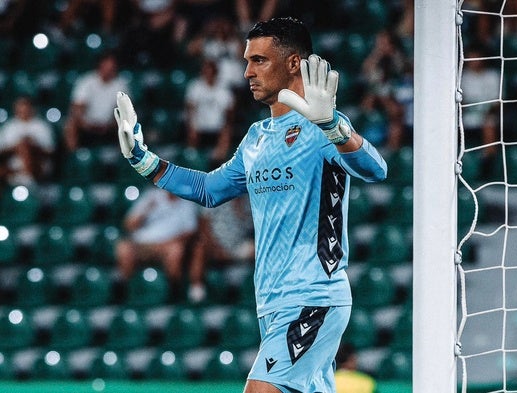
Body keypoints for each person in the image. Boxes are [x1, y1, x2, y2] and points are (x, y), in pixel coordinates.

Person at [113, 17, 387, 393]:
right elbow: (209, 190)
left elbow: (376, 169)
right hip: (271, 302)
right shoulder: (257, 137)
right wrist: (144, 161)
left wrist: (334, 127)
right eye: (247, 61)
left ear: (293, 63)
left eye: (259, 60)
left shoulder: (320, 127)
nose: (246, 72)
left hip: (312, 295)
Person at [115, 187, 206, 303]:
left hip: (168, 245)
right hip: (142, 244)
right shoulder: (151, 196)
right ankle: (125, 291)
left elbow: (190, 232)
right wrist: (147, 209)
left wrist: (167, 242)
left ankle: (172, 293)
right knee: (123, 248)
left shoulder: (187, 202)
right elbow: (128, 225)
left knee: (175, 250)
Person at [63, 51, 129, 152]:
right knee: (70, 124)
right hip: (87, 124)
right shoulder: (87, 81)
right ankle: (75, 158)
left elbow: (124, 110)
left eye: (113, 66)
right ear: (101, 65)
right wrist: (85, 123)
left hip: (110, 125)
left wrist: (111, 124)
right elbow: (77, 107)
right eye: (108, 65)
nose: (111, 68)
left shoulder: (120, 84)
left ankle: (125, 161)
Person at [184, 58, 236, 168]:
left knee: (227, 134)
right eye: (205, 72)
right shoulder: (195, 86)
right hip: (199, 126)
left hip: (218, 127)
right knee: (191, 132)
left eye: (211, 72)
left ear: (215, 73)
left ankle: (218, 164)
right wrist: (191, 127)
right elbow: (190, 109)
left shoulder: (223, 88)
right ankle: (193, 162)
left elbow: (229, 112)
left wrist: (226, 128)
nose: (208, 75)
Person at [0, 96, 56, 187]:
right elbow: (2, 151)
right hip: (12, 169)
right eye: (20, 109)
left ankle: (28, 180)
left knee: (25, 146)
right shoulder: (9, 127)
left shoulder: (41, 126)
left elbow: (50, 151)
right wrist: (16, 147)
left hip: (37, 167)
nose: (23, 112)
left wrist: (32, 146)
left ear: (32, 109)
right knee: (22, 145)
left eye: (26, 108)